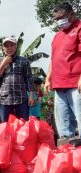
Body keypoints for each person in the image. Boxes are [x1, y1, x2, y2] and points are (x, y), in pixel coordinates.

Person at [44, 2, 81, 138]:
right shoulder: (57, 36)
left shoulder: (79, 28)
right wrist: (48, 79)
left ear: (71, 14)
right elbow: (54, 59)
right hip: (59, 86)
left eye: (62, 17)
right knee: (63, 126)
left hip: (76, 85)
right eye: (57, 19)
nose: (59, 21)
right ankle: (68, 154)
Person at [0, 36, 35, 122]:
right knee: (6, 127)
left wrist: (31, 96)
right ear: (3, 48)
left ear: (16, 46)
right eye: (6, 46)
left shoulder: (23, 61)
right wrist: (3, 64)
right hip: (4, 100)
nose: (9, 48)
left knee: (23, 126)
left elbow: (29, 78)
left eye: (12, 45)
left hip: (21, 99)